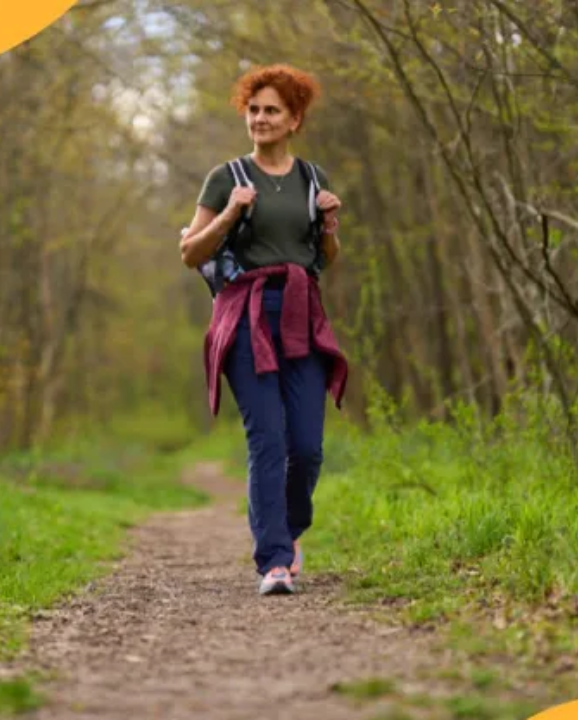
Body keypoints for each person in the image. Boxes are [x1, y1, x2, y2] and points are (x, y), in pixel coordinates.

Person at [179, 64, 350, 596]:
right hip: (245, 313)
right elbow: (191, 252)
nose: (260, 118)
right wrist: (230, 212)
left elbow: (326, 259)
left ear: (294, 118)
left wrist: (328, 227)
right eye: (253, 110)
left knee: (308, 445)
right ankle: (274, 561)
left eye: (272, 110)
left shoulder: (312, 179)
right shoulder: (225, 176)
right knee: (268, 440)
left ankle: (290, 530)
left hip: (301, 311)